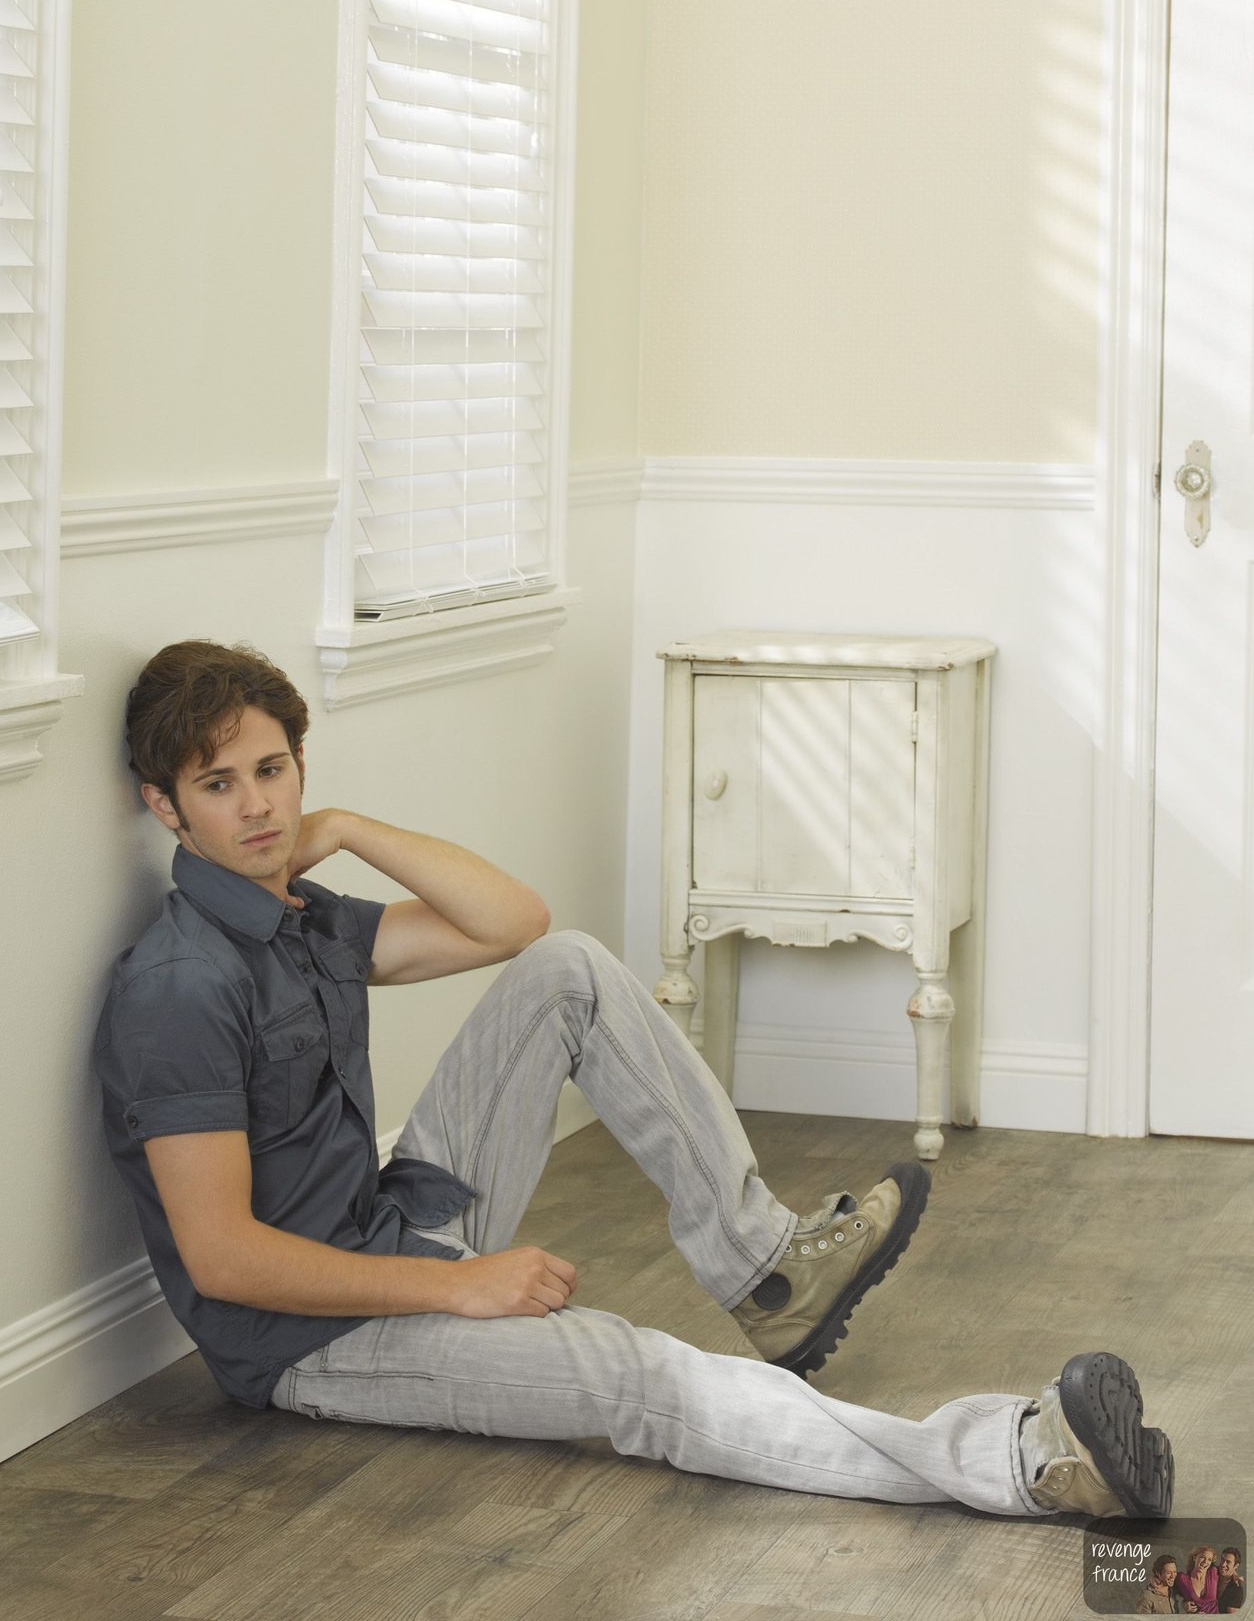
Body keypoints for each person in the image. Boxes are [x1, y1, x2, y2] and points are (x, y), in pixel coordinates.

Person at [93, 639, 1177, 1522]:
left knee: (566, 967)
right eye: (218, 785)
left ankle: (768, 1269)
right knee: (636, 1375)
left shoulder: (295, 912)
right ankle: (1020, 1461)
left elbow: (511, 922)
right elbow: (223, 1258)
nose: (258, 806)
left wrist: (347, 830)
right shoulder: (180, 988)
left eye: (273, 771)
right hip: (314, 1339)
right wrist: (460, 1286)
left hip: (386, 1226)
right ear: (164, 805)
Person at [1180, 1547, 1221, 1613]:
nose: (1205, 1561)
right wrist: (1184, 1604)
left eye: (1209, 1559)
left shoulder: (1213, 1572)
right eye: (1202, 1557)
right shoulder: (1183, 1579)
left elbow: (1227, 1569)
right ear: (1194, 1558)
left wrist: (1234, 1574)